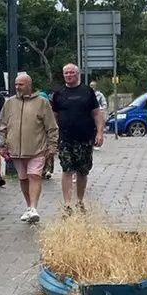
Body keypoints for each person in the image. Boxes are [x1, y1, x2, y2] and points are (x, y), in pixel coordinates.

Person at [0, 74, 59, 224]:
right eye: (16, 84)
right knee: (23, 178)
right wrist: (3, 144)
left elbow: (52, 126)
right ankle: (28, 206)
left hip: (37, 148)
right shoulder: (10, 103)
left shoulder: (42, 103)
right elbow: (2, 125)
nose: (17, 87)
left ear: (29, 85)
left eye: (21, 84)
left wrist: (52, 146)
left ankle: (33, 207)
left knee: (34, 176)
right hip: (16, 150)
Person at [51, 64, 105, 213]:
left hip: (85, 138)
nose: (69, 75)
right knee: (66, 168)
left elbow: (97, 113)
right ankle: (67, 204)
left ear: (78, 74)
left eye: (72, 73)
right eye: (66, 73)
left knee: (82, 170)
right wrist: (53, 134)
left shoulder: (87, 92)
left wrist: (100, 132)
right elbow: (53, 116)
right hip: (65, 138)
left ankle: (79, 201)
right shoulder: (58, 93)